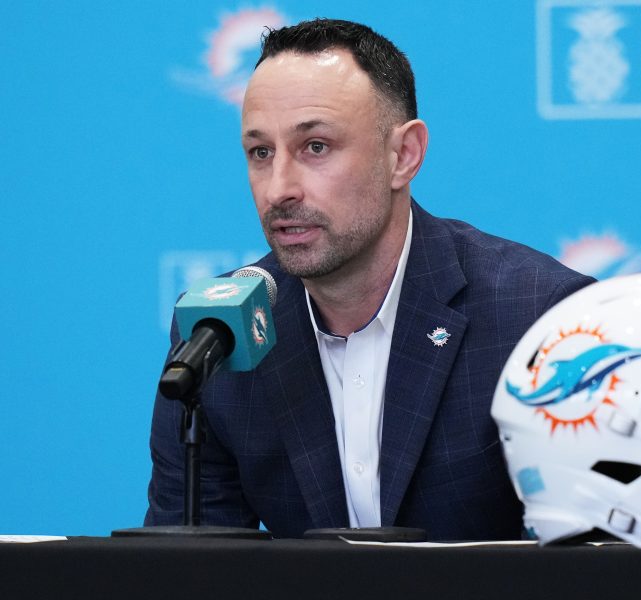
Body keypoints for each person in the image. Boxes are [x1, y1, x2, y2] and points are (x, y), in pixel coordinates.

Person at [145, 18, 594, 540]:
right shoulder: (220, 334)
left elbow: (596, 563)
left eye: (315, 146)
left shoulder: (541, 318)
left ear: (404, 155)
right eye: (261, 153)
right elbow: (192, 570)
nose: (278, 189)